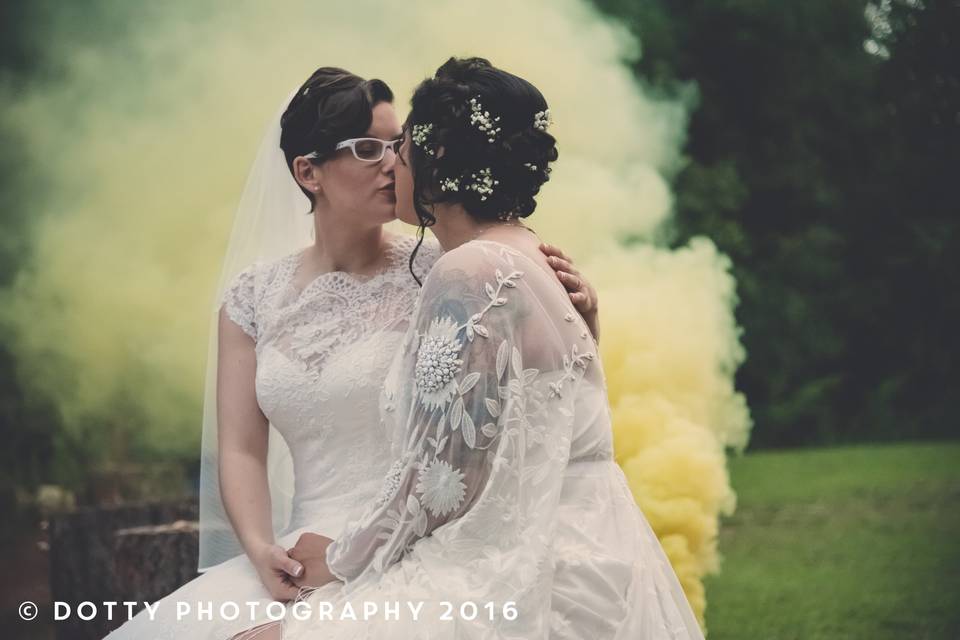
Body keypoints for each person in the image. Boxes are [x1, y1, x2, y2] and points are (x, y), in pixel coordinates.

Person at [103, 66, 597, 640]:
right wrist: (262, 548)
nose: (393, 162)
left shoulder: (450, 272)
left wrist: (584, 317)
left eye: (396, 144)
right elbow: (239, 448)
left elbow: (524, 402)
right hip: (300, 549)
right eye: (367, 148)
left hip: (418, 540)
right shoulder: (251, 297)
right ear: (308, 171)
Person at [277, 57, 705, 640]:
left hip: (521, 559)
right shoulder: (529, 254)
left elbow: (445, 477)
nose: (392, 163)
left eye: (402, 146)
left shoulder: (468, 273)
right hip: (592, 542)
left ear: (438, 160)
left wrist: (344, 558)